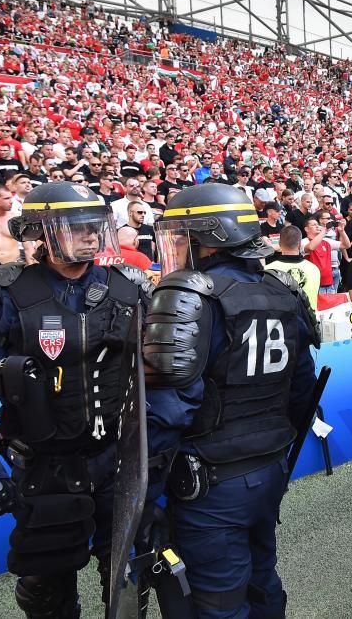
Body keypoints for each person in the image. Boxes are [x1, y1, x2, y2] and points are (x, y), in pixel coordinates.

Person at [0, 182, 153, 618]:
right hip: (43, 468)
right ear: (39, 231)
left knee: (131, 581)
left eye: (95, 226)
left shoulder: (131, 288)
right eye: (77, 227)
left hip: (121, 462)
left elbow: (161, 379)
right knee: (46, 591)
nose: (91, 236)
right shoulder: (2, 292)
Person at [142, 182, 318, 618]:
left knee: (217, 599)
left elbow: (167, 411)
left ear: (207, 238)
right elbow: (303, 389)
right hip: (271, 466)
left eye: (182, 237)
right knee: (263, 580)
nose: (177, 247)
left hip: (211, 481)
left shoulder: (191, 295)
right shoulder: (283, 291)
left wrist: (143, 495)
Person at [266, 224, 322, 307]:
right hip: (308, 319)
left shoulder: (267, 270)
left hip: (280, 318)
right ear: (299, 244)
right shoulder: (314, 269)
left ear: (280, 244)